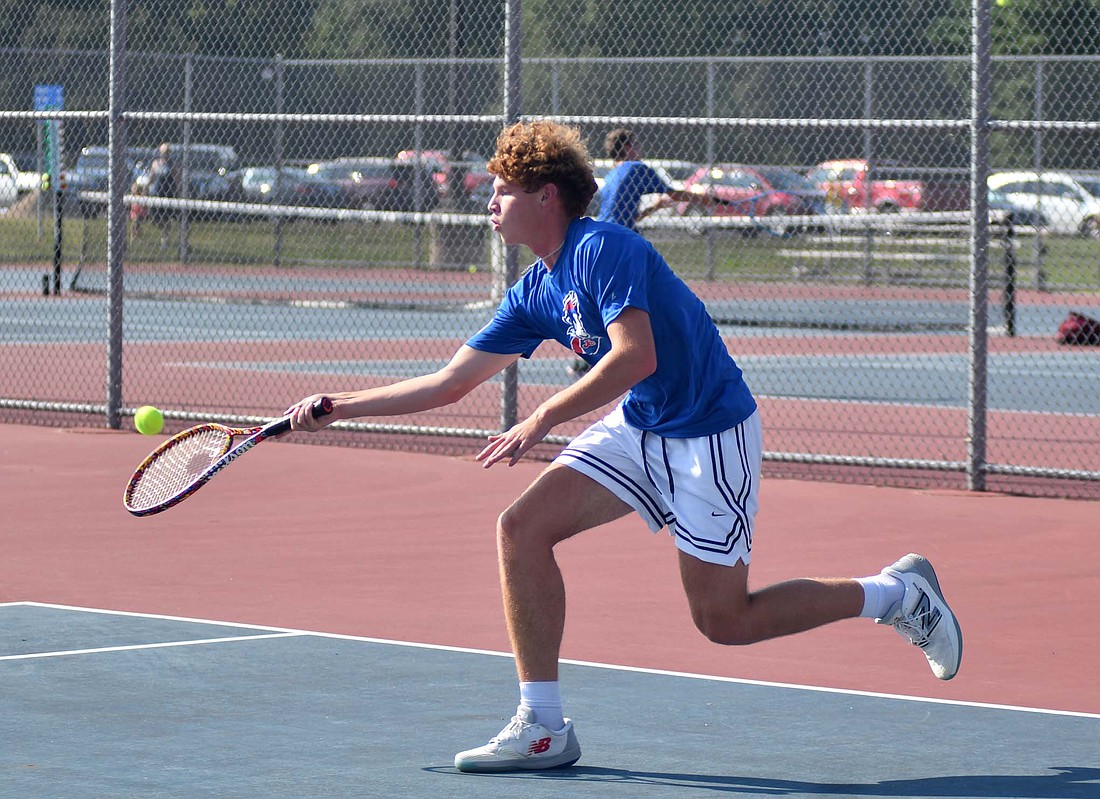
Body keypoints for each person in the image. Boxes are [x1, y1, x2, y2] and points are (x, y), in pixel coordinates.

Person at [286, 121, 962, 774]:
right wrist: (336, 407)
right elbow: (450, 381)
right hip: (642, 426)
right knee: (522, 527)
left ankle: (896, 594)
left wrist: (544, 416)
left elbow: (636, 355)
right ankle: (543, 725)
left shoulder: (602, 247)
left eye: (502, 189)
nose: (488, 201)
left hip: (709, 430)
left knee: (724, 620)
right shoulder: (534, 290)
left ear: (545, 195)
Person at [596, 127, 722, 230]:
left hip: (601, 232)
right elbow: (674, 195)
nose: (640, 149)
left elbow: (631, 218)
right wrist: (704, 199)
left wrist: (656, 206)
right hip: (620, 236)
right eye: (636, 145)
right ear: (627, 147)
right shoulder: (636, 168)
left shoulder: (610, 175)